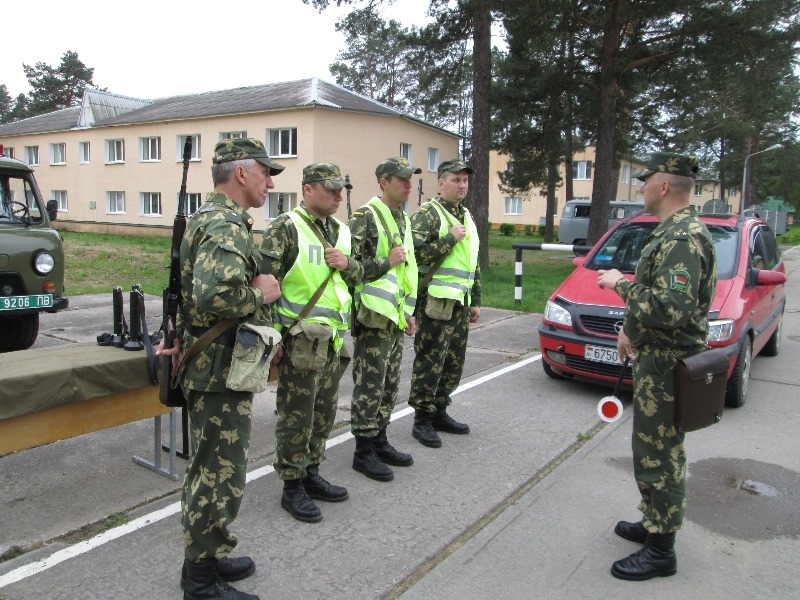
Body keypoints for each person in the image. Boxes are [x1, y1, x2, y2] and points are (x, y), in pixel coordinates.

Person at [157, 137, 284, 600]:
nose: (270, 183)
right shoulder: (225, 225)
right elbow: (215, 297)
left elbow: (188, 296)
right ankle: (200, 581)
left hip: (216, 368)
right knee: (218, 472)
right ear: (242, 174)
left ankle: (208, 555)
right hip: (218, 372)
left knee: (213, 468)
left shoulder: (210, 219)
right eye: (267, 173)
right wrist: (263, 295)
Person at [597, 151, 716, 581]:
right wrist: (630, 329)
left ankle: (662, 549)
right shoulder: (671, 232)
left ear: (664, 187)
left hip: (667, 366)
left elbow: (671, 309)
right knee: (650, 448)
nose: (642, 187)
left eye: (646, 181)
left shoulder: (681, 239)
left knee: (659, 454)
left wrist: (619, 284)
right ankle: (654, 523)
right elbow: (660, 302)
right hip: (656, 358)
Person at [259, 162, 363, 522]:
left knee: (324, 413)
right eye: (330, 189)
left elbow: (359, 274)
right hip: (298, 341)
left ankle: (312, 471)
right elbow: (265, 287)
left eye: (340, 190)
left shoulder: (341, 231)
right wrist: (273, 339)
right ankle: (292, 485)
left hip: (332, 340)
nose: (337, 195)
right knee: (296, 417)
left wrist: (347, 263)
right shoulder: (286, 228)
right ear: (307, 189)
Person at [348, 157, 420, 481]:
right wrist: (385, 262)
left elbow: (406, 273)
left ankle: (379, 440)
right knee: (370, 385)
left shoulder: (401, 218)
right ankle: (363, 452)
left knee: (389, 385)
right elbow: (350, 268)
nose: (408, 184)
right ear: (383, 181)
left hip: (393, 317)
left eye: (409, 179)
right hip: (371, 317)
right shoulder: (365, 216)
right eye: (401, 179)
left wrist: (407, 312)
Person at [407, 158, 480, 448]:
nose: (461, 185)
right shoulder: (428, 214)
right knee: (430, 361)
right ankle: (421, 420)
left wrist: (475, 299)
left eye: (464, 180)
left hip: (459, 303)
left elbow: (473, 263)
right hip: (434, 304)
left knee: (452, 363)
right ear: (441, 183)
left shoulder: (466, 216)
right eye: (455, 180)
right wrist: (448, 240)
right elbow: (415, 256)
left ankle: (440, 411)